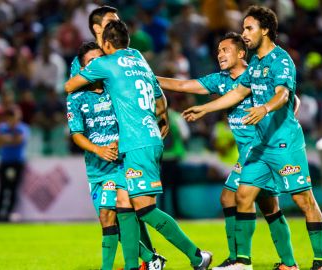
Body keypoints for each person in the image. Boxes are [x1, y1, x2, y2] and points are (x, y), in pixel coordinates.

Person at [183, 6, 322, 270]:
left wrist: (264, 108)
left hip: (285, 143)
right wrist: (205, 107)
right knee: (242, 195)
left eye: (249, 28)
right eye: (243, 28)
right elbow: (237, 94)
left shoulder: (281, 60)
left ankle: (320, 262)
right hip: (260, 147)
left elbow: (284, 94)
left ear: (266, 30)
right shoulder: (256, 65)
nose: (244, 33)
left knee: (303, 199)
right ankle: (243, 262)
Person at [65, 20, 212, 270]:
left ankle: (197, 256)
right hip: (142, 139)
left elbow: (69, 85)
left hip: (137, 142)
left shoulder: (106, 64)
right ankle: (134, 266)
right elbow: (158, 97)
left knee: (144, 210)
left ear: (107, 44)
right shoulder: (137, 57)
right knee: (123, 205)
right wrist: (162, 116)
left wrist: (86, 71)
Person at [157, 32, 299, 270]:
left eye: (225, 50)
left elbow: (291, 100)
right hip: (246, 151)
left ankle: (240, 260)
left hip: (262, 150)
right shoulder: (220, 80)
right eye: (218, 50)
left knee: (233, 197)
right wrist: (145, 76)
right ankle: (286, 263)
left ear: (241, 53)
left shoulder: (257, 76)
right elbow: (182, 85)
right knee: (268, 206)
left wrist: (283, 125)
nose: (220, 54)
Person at [69, 6, 167, 270]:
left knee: (126, 207)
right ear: (98, 28)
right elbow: (73, 97)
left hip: (124, 148)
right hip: (97, 159)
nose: (118, 24)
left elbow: (143, 91)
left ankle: (146, 260)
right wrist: (97, 147)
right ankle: (150, 258)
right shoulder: (86, 61)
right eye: (113, 21)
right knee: (113, 215)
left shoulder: (124, 55)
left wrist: (158, 115)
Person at [0, 106, 29, 222]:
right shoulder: (2, 127)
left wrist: (6, 139)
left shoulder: (23, 128)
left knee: (13, 190)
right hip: (4, 162)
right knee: (2, 190)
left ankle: (9, 214)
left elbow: (18, 141)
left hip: (17, 163)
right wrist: (10, 139)